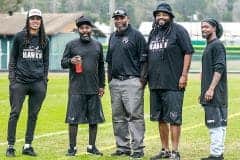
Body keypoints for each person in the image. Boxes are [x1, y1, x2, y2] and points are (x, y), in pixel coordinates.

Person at [147, 3, 194, 160]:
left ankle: (175, 151)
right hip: (155, 83)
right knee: (160, 118)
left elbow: (188, 52)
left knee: (174, 118)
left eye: (164, 14)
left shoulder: (179, 31)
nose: (161, 17)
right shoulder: (153, 33)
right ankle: (165, 150)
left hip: (173, 83)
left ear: (170, 16)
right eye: (158, 14)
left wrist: (184, 75)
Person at [6, 9, 49, 157]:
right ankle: (10, 146)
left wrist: (44, 81)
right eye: (33, 18)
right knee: (15, 113)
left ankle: (27, 146)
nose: (35, 21)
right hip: (20, 82)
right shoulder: (19, 37)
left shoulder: (45, 39)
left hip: (38, 83)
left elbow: (46, 62)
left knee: (33, 115)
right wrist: (12, 79)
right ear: (28, 20)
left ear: (41, 21)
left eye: (38, 18)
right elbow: (12, 59)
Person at [106, 7, 147, 159]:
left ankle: (137, 149)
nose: (119, 21)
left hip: (132, 81)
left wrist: (141, 80)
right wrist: (109, 79)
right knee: (118, 117)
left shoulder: (136, 35)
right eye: (116, 18)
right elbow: (109, 61)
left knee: (135, 116)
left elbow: (144, 60)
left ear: (127, 18)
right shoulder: (112, 37)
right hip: (115, 82)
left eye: (121, 18)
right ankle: (122, 147)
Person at [61, 16, 105, 156]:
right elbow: (62, 63)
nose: (84, 30)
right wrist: (71, 61)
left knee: (94, 119)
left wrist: (102, 85)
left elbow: (101, 67)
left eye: (87, 28)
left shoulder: (97, 45)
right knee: (73, 120)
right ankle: (72, 148)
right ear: (78, 30)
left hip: (93, 88)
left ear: (91, 29)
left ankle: (91, 147)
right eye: (82, 28)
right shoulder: (71, 45)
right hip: (76, 89)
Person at [200, 18, 227, 160]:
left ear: (214, 28)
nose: (203, 29)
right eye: (202, 27)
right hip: (218, 93)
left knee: (214, 124)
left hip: (215, 93)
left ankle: (215, 155)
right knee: (220, 124)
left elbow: (219, 67)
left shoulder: (216, 45)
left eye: (206, 27)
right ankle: (218, 153)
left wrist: (210, 89)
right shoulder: (210, 45)